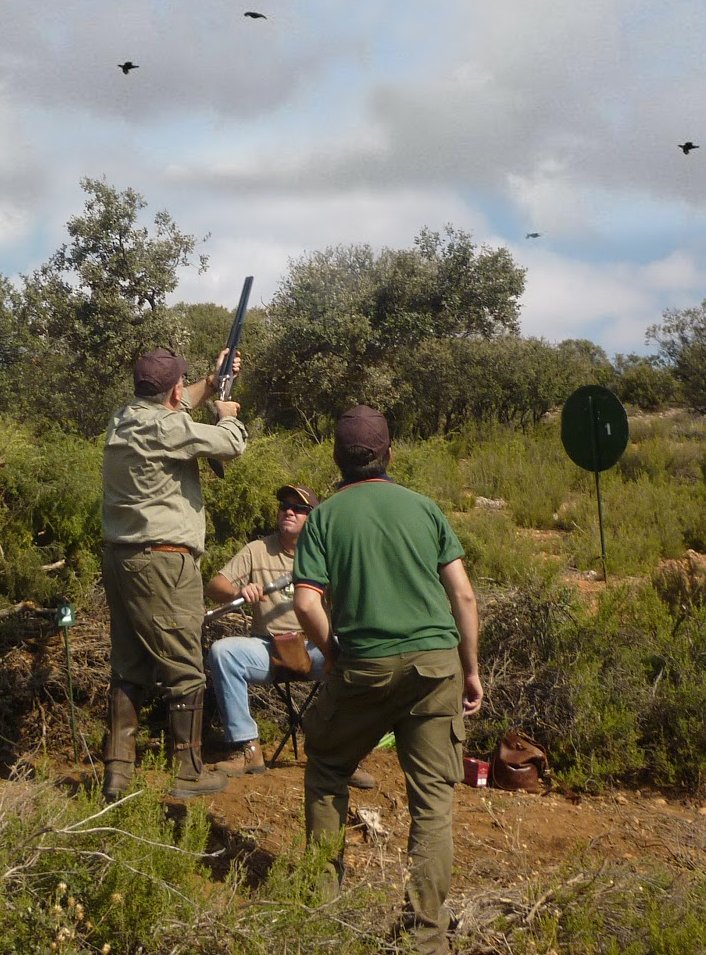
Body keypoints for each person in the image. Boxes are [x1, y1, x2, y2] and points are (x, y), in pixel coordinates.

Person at [293, 406, 482, 955]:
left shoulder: (325, 517)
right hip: (436, 666)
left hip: (364, 665)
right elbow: (464, 597)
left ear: (336, 458)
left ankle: (324, 913)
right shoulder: (424, 509)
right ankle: (426, 937)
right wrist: (470, 670)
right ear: (389, 454)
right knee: (432, 801)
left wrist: (334, 654)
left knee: (327, 767)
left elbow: (306, 602)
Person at [100, 345, 246, 800]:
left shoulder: (124, 417)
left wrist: (212, 376)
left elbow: (175, 406)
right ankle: (188, 769)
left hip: (121, 559)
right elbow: (231, 445)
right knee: (184, 665)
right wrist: (227, 413)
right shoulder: (169, 427)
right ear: (173, 389)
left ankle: (117, 773)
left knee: (128, 667)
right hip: (164, 562)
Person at [204, 485, 376, 790]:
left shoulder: (326, 553)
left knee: (360, 654)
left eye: (299, 508)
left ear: (313, 517)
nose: (289, 512)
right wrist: (238, 591)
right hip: (267, 648)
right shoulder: (257, 549)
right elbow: (214, 586)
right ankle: (248, 750)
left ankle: (346, 756)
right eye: (284, 506)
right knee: (222, 652)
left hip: (317, 649)